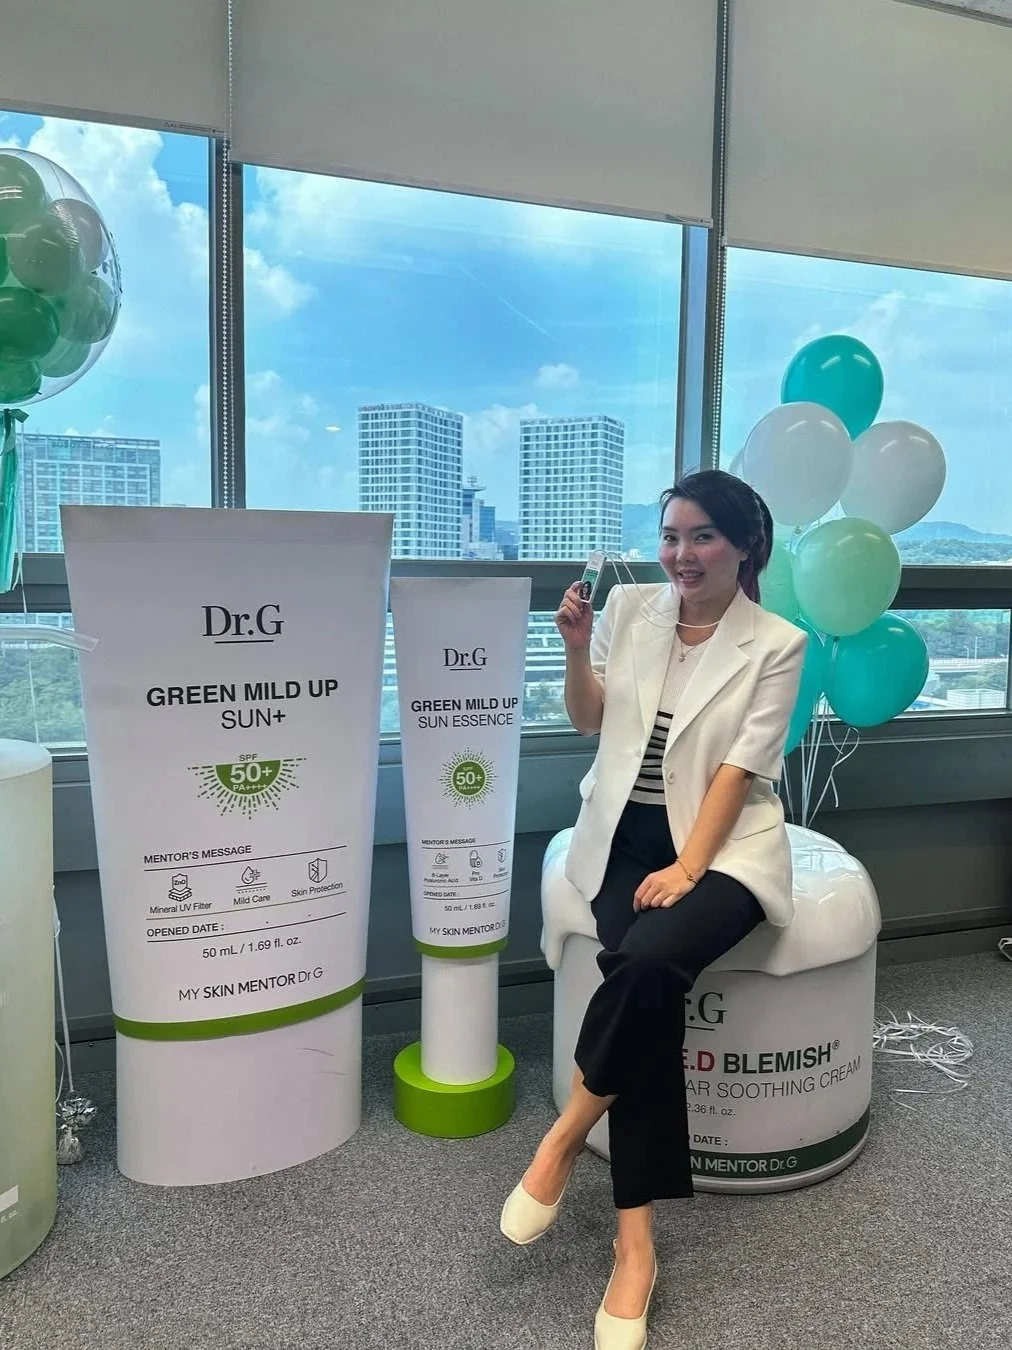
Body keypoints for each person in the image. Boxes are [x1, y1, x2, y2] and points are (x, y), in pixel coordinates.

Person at [500, 470, 807, 1350]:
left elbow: (736, 774)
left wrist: (689, 866)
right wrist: (574, 645)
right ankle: (633, 1246)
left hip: (723, 842)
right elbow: (591, 721)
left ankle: (562, 1137)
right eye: (672, 535)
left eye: (703, 536)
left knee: (642, 965)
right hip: (618, 837)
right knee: (649, 995)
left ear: (746, 544)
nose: (682, 554)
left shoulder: (776, 642)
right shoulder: (633, 609)